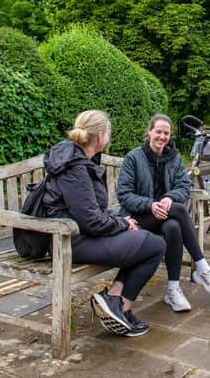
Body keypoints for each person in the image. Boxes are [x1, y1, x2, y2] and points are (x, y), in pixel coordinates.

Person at [43, 110, 165, 337]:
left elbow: (93, 211)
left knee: (141, 239)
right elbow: (92, 220)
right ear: (99, 136)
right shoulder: (75, 167)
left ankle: (114, 299)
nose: (109, 136)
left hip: (82, 235)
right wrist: (121, 225)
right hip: (70, 241)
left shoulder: (83, 161)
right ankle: (122, 306)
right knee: (154, 246)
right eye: (108, 132)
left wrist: (122, 221)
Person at [117, 114, 210, 313]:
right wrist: (151, 205)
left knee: (173, 226)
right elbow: (124, 195)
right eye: (158, 131)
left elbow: (184, 186)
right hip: (137, 217)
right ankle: (202, 267)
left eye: (166, 133)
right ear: (149, 132)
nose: (162, 136)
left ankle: (173, 289)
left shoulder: (173, 158)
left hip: (165, 217)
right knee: (177, 210)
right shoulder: (133, 157)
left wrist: (169, 197)